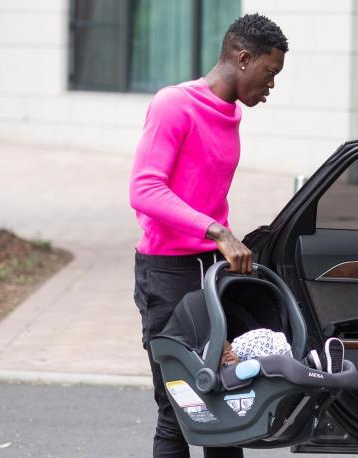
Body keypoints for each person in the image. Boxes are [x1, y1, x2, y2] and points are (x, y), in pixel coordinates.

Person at [129, 13, 288, 458]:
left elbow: (204, 192)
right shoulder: (173, 104)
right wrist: (217, 231)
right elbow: (144, 188)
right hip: (168, 273)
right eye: (269, 73)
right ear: (242, 58)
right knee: (179, 408)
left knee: (227, 406)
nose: (271, 86)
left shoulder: (231, 113)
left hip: (211, 276)